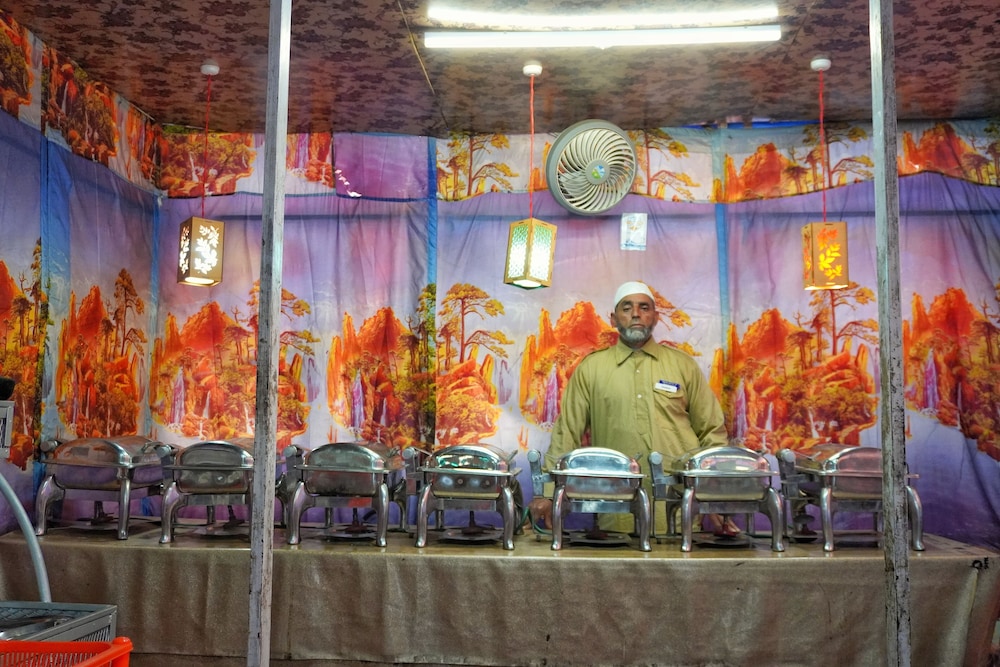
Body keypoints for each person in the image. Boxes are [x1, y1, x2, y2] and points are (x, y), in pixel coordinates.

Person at [529, 280, 738, 536]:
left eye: (644, 307)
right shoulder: (591, 369)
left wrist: (713, 492)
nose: (636, 314)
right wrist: (549, 493)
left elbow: (712, 431)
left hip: (678, 511)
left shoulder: (683, 366)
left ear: (656, 317)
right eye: (627, 308)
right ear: (613, 319)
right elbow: (567, 433)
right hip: (615, 511)